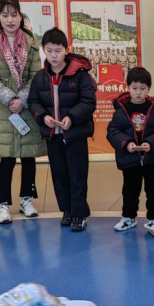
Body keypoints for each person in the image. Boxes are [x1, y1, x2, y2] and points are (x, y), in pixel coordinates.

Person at [0, 0, 45, 225]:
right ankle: (3, 204)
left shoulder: (30, 41)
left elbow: (36, 74)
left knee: (28, 157)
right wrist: (9, 98)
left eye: (14, 14)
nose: (10, 19)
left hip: (25, 108)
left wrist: (22, 99)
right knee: (6, 158)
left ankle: (27, 200)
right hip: (3, 109)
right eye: (5, 15)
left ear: (20, 17)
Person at [28, 28, 96, 231]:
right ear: (43, 50)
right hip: (53, 136)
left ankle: (79, 214)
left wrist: (71, 118)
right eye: (49, 51)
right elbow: (33, 102)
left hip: (75, 135)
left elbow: (89, 102)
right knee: (59, 176)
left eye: (58, 51)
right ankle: (67, 210)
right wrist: (43, 117)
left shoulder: (80, 75)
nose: (54, 55)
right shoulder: (40, 77)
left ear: (67, 49)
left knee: (77, 176)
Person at [107, 67, 154, 237]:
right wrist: (126, 144)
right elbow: (112, 131)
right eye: (134, 88)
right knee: (129, 191)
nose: (138, 92)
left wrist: (151, 143)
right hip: (130, 159)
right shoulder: (121, 110)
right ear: (128, 87)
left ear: (149, 89)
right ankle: (129, 218)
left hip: (152, 159)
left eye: (143, 88)